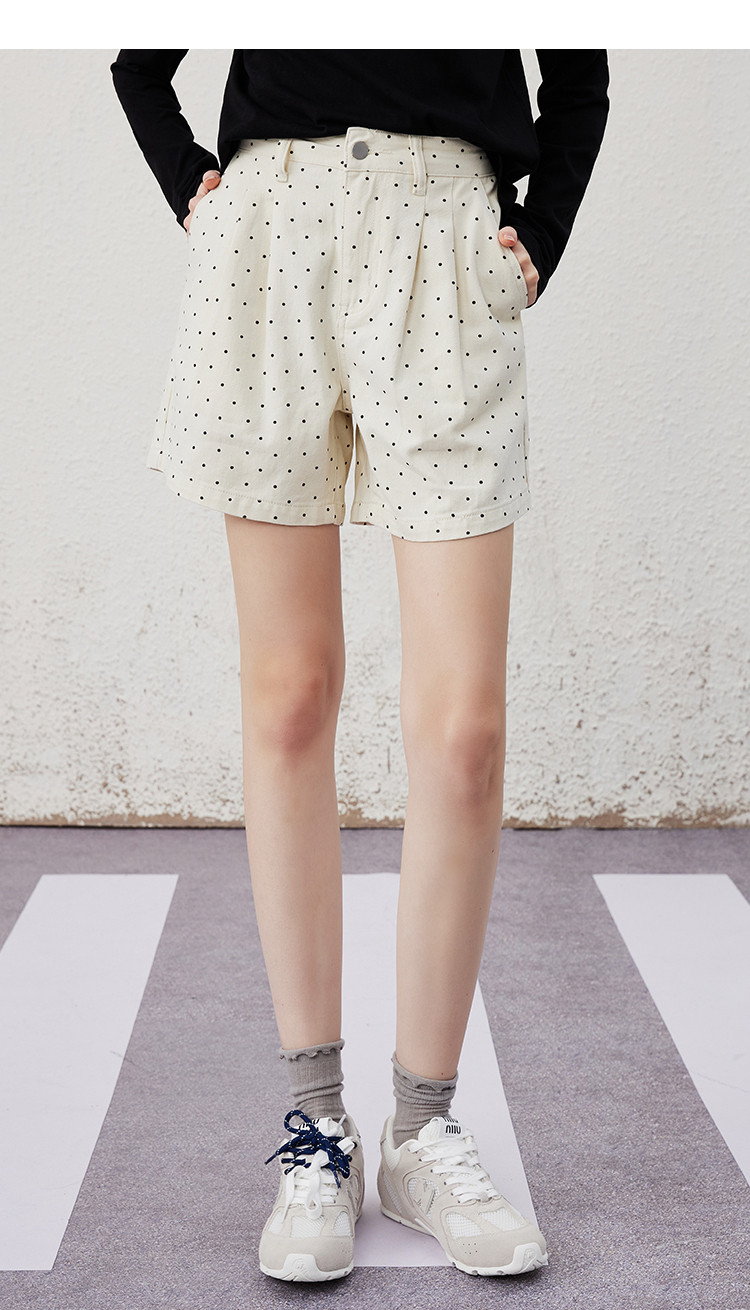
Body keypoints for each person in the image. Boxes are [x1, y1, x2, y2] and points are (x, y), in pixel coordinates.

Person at [111, 48, 610, 1283]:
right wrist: (193, 188)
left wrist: (540, 233)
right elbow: (135, 56)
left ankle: (422, 1127)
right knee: (288, 698)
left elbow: (582, 68)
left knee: (464, 729)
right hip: (270, 241)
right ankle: (317, 1125)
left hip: (449, 239)